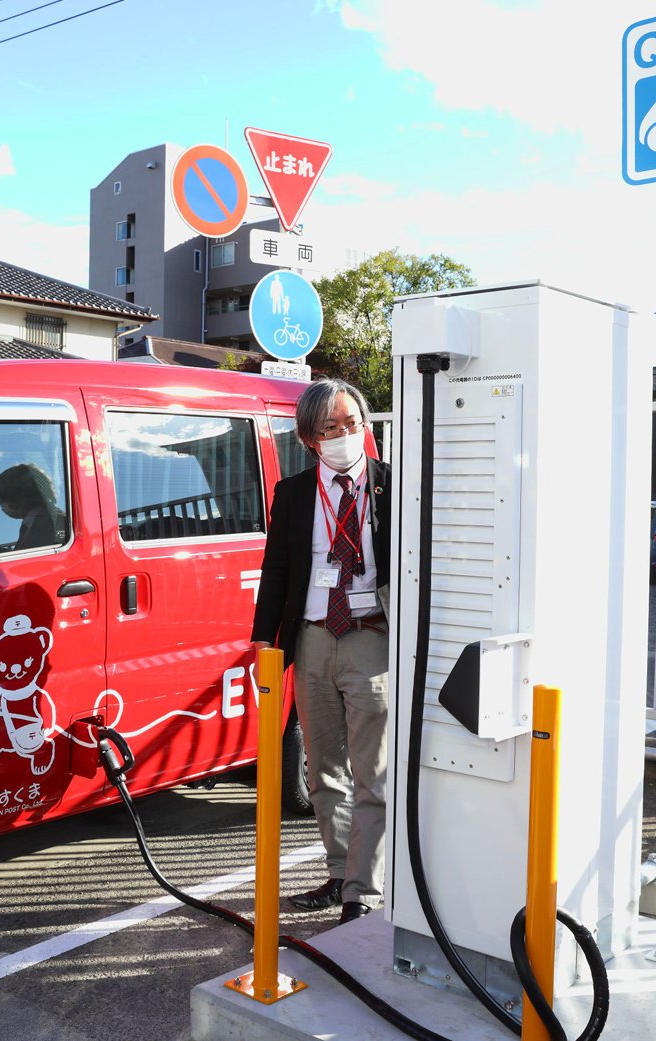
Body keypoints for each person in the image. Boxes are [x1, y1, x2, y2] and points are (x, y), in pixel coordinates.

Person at [251, 377, 391, 924]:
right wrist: (264, 635)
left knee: (370, 773)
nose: (342, 436)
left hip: (370, 637)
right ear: (310, 437)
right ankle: (339, 874)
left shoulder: (391, 485)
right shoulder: (292, 494)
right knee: (322, 770)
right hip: (312, 637)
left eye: (350, 424)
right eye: (330, 428)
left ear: (365, 425)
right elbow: (277, 568)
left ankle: (364, 892)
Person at [0, 463, 64, 550]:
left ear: (15, 496)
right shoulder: (32, 522)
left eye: (0, 498)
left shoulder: (54, 522)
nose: (0, 503)